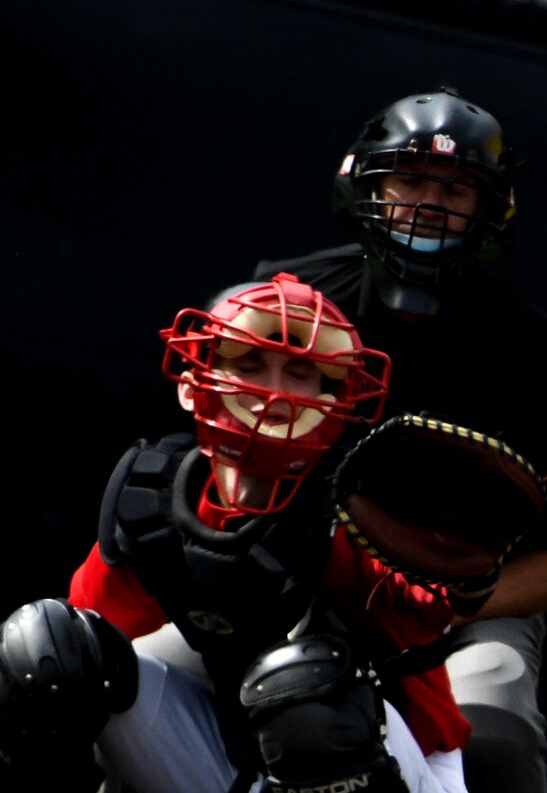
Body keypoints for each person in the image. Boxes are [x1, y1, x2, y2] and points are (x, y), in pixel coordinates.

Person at [253, 88, 547, 793]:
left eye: (455, 190)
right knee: (120, 676)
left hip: (464, 603)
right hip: (289, 572)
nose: (427, 206)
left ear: (491, 212)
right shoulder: (282, 306)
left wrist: (439, 604)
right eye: (411, 180)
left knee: (497, 753)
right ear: (366, 184)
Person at [0, 273, 482, 792]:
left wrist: (468, 567)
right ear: (192, 385)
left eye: (300, 372)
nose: (272, 392)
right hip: (234, 747)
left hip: (392, 761)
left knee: (306, 695)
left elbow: (427, 607)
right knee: (46, 652)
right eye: (249, 364)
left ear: (335, 398)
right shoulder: (156, 501)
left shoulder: (363, 504)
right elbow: (87, 636)